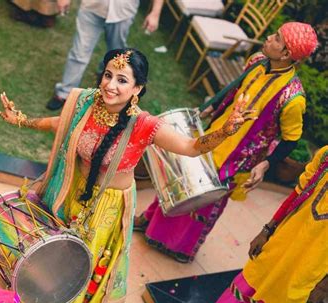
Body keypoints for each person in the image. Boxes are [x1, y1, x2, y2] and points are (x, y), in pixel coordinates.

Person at [0, 48, 254, 303]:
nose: (110, 85)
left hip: (105, 209)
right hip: (72, 190)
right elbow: (60, 123)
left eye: (122, 80)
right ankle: (42, 296)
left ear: (137, 88)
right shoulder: (86, 101)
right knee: (56, 252)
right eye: (108, 75)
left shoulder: (145, 125)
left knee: (81, 264)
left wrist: (225, 131)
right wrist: (22, 120)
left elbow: (191, 147)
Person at [134, 22, 319, 263]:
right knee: (181, 178)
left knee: (204, 203)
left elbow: (291, 140)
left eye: (276, 38)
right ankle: (150, 220)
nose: (269, 38)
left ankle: (180, 248)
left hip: (238, 160)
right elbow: (234, 91)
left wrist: (265, 164)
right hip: (215, 136)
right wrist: (208, 109)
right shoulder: (256, 61)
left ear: (286, 54)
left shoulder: (292, 99)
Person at [209, 145, 328, 303]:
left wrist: (325, 284)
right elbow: (296, 195)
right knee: (246, 290)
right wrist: (266, 230)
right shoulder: (325, 155)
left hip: (313, 267)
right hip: (281, 243)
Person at [46, 0, 164, 110]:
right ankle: (65, 92)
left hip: (123, 11)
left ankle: (105, 74)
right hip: (92, 7)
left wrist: (155, 13)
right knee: (79, 52)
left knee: (118, 55)